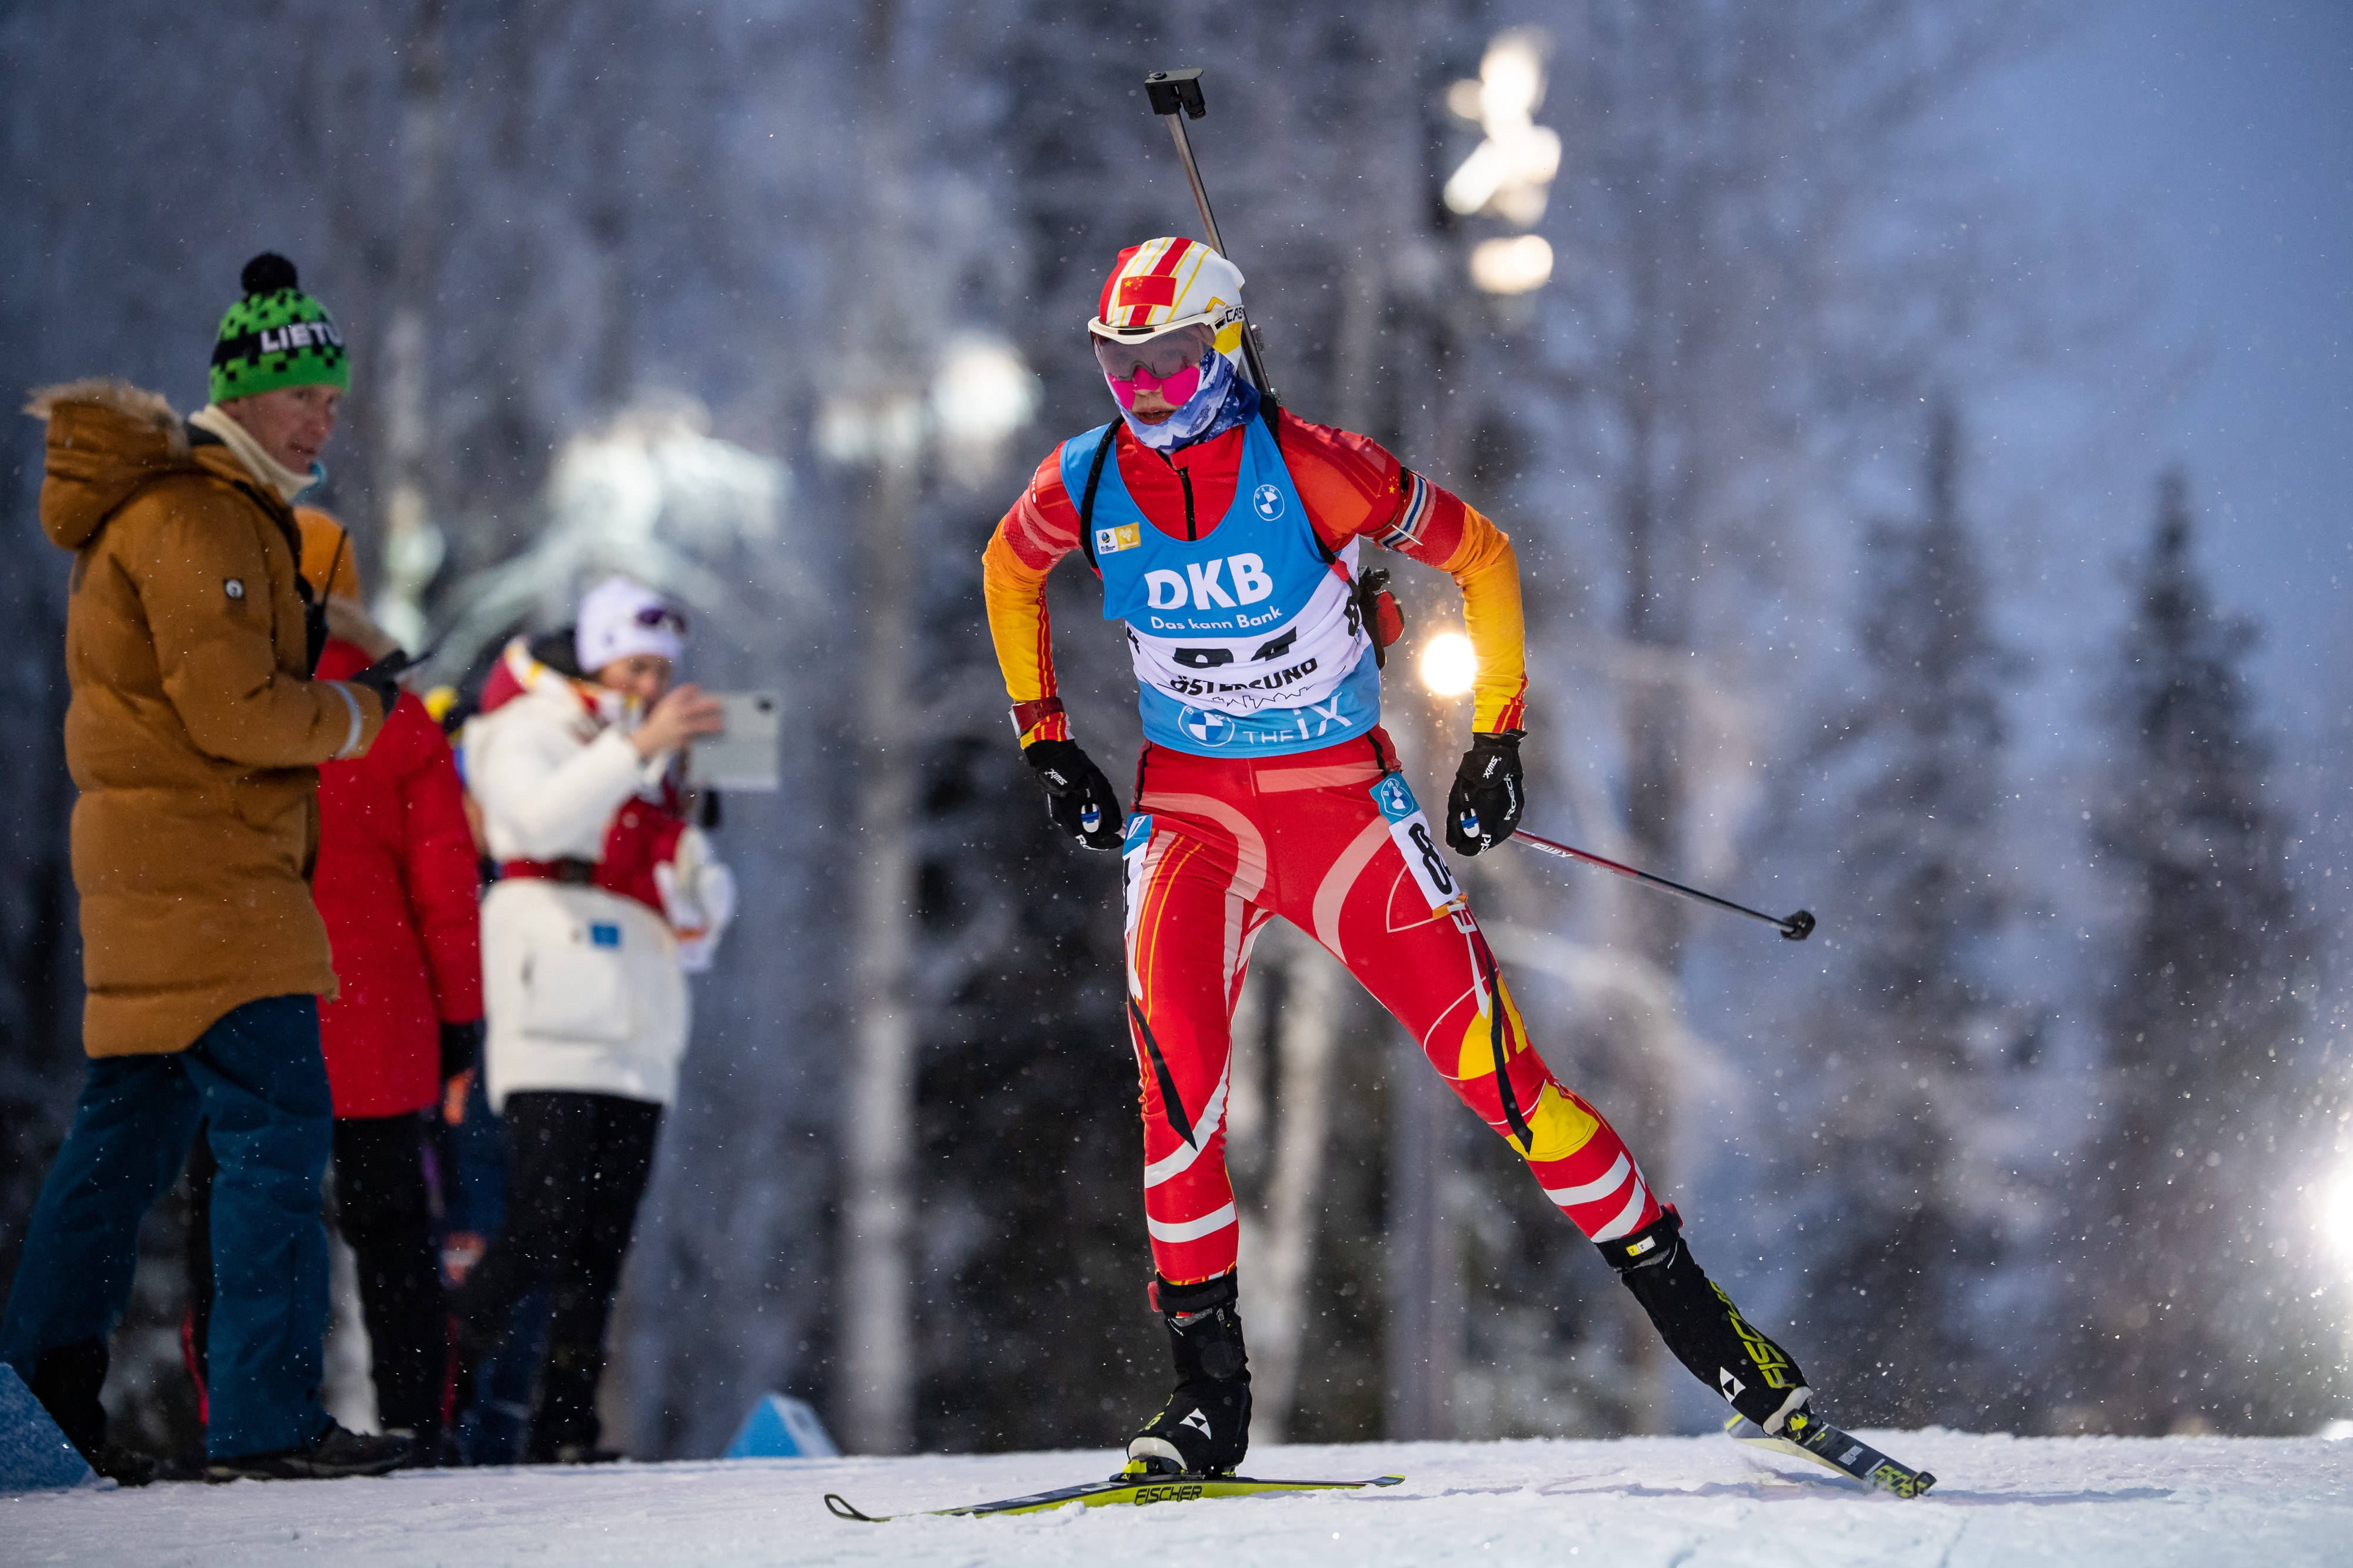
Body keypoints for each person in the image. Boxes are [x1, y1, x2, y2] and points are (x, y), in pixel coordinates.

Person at [983, 238, 1821, 1477]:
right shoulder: (1084, 477)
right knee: (1178, 1098)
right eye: (1118, 366)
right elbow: (1008, 566)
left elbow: (1479, 554)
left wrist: (1497, 735)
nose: (1141, 394)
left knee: (1502, 1080)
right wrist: (1043, 737)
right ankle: (1205, 1401)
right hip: (1194, 823)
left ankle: (1720, 1345)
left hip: (1340, 817)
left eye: (1164, 365)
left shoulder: (1316, 467)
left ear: (1219, 349)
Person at [2, 253, 413, 1482]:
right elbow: (232, 708)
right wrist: (355, 718)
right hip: (214, 881)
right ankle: (265, 1416)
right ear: (241, 391)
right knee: (278, 1134)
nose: (326, 411)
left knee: (120, 1147)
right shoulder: (199, 513)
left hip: (159, 879)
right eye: (305, 393)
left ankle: (35, 1408)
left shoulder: (195, 510)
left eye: (334, 393)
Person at [181, 508, 484, 1464]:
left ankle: (239, 1417)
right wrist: (461, 1025)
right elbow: (448, 895)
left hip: (239, 1017)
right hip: (377, 1030)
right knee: (393, 1232)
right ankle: (419, 1421)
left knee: (234, 1224)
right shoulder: (397, 725)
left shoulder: (210, 712)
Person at [449, 578, 735, 1462]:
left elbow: (685, 863)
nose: (649, 682)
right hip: (553, 1004)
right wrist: (635, 748)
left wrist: (704, 889)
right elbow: (528, 822)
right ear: (596, 650)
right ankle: (427, 1383)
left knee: (603, 1237)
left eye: (661, 667)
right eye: (635, 662)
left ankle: (567, 1421)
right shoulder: (519, 725)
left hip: (639, 1014)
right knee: (540, 1219)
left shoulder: (649, 755)